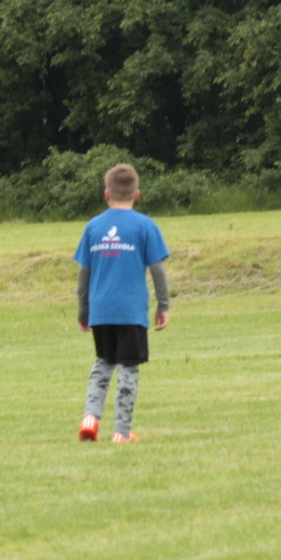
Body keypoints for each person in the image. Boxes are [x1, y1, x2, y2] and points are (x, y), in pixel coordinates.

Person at [74, 163, 170, 443]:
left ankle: (90, 418)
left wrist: (83, 310)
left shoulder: (93, 227)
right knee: (128, 368)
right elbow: (158, 269)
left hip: (101, 310)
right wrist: (163, 305)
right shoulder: (145, 225)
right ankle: (122, 431)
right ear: (136, 195)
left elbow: (84, 274)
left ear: (106, 194)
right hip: (131, 312)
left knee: (103, 363)